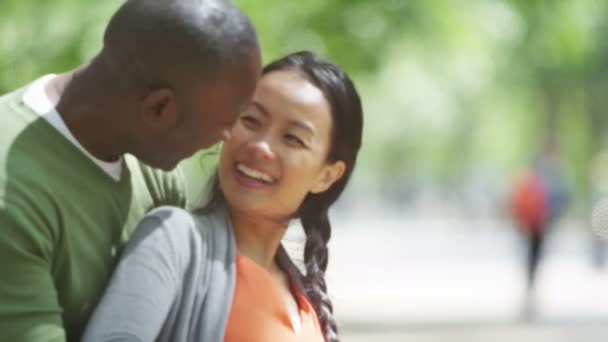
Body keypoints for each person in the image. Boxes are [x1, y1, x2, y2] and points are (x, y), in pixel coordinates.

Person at [0, 0, 261, 340]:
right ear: (160, 108)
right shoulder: (14, 200)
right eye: (223, 123)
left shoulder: (153, 165)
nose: (228, 138)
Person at [82, 51, 363, 342]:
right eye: (251, 120)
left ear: (326, 176)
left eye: (292, 138)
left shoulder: (304, 301)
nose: (261, 146)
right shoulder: (173, 239)